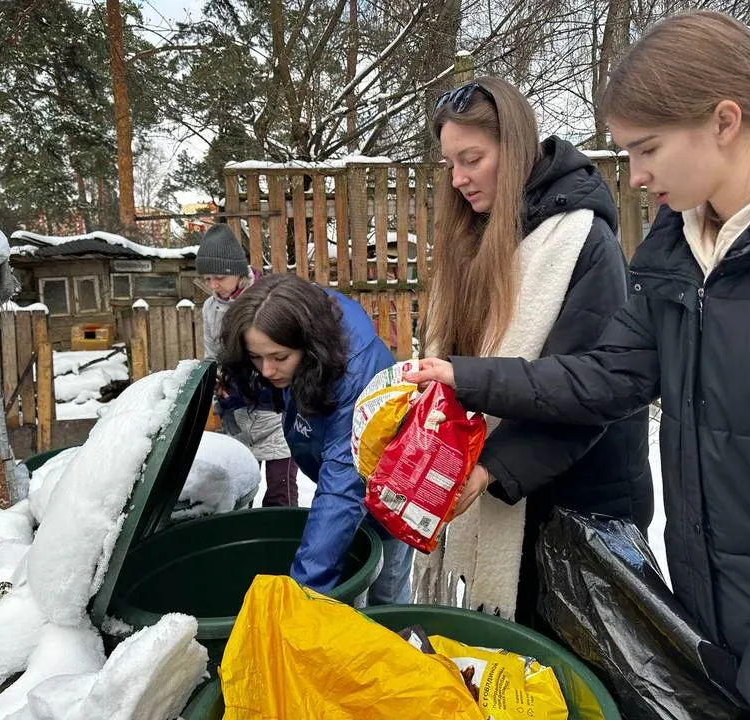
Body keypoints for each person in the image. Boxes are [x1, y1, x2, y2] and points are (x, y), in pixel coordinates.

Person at [408, 11, 750, 720]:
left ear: (723, 120)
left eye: (646, 148)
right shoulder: (680, 248)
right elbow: (607, 375)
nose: (635, 174)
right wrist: (467, 377)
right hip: (716, 624)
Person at [412, 75, 652, 625]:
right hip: (502, 484)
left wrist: (490, 469)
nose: (459, 179)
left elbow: (588, 387)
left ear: (515, 146)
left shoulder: (583, 244)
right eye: (450, 164)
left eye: (471, 158)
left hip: (577, 507)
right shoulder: (475, 238)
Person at [218, 272, 413, 604]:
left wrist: (302, 598)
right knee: (346, 570)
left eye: (279, 358)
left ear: (311, 347)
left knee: (386, 592)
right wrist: (235, 392)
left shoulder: (355, 378)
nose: (266, 370)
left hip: (391, 493)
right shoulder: (296, 326)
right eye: (255, 357)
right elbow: (278, 386)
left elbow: (342, 489)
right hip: (341, 481)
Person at [197, 223, 299, 506]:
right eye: (208, 279)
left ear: (240, 273)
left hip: (274, 410)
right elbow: (211, 354)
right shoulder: (211, 308)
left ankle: (280, 542)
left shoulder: (268, 299)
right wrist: (214, 382)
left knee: (280, 492)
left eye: (219, 277)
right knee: (242, 488)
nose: (214, 285)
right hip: (237, 412)